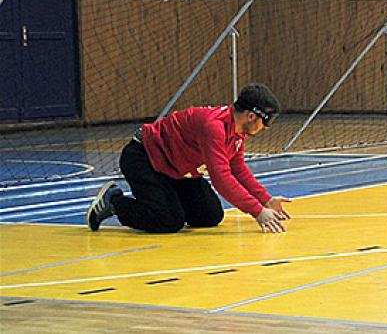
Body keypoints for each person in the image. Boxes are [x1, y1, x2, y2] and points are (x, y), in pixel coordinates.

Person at [87, 83, 292, 233]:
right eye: (266, 122)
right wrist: (257, 211)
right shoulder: (214, 127)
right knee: (168, 221)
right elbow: (221, 179)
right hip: (144, 159)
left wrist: (265, 199)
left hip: (175, 169)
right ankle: (114, 202)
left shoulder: (238, 131)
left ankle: (167, 201)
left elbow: (237, 168)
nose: (265, 128)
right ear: (251, 116)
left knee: (209, 215)